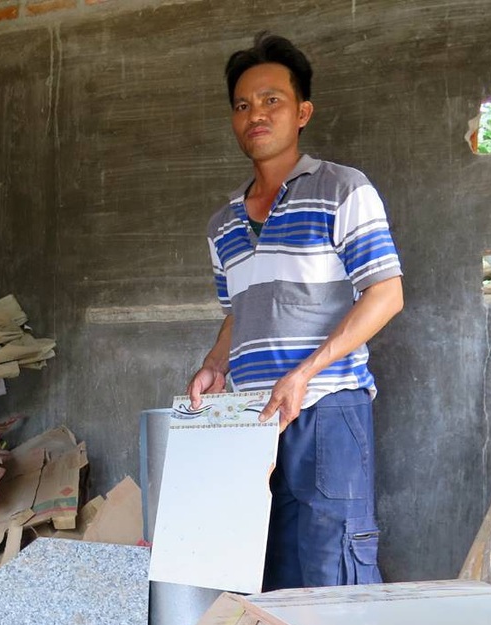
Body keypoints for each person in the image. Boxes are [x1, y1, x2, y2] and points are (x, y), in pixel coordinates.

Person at [186, 33, 404, 591]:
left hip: (326, 408)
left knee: (333, 573)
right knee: (270, 578)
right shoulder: (223, 224)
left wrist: (304, 372)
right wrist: (216, 364)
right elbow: (240, 311)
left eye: (271, 100)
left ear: (302, 111)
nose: (255, 114)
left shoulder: (342, 189)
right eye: (242, 105)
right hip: (253, 423)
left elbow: (386, 293)